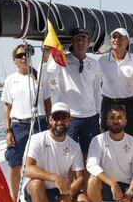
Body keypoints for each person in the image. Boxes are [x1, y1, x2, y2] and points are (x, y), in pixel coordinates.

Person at [24, 102, 92, 202]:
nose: (60, 121)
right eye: (56, 117)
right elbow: (27, 168)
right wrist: (54, 177)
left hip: (60, 193)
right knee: (36, 184)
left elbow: (80, 178)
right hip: (36, 191)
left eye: (64, 117)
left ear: (69, 120)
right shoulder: (37, 139)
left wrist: (69, 194)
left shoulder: (74, 146)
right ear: (50, 120)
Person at [2, 44, 51, 202]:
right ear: (14, 60)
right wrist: (8, 130)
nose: (24, 57)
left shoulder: (39, 77)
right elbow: (7, 107)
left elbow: (47, 102)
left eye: (27, 54)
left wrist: (49, 124)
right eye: (20, 55)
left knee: (40, 164)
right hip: (18, 126)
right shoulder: (11, 80)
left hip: (39, 123)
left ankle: (41, 199)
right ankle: (15, 200)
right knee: (15, 164)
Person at [44, 27, 102, 159]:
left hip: (91, 117)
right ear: (72, 43)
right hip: (70, 117)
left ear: (88, 43)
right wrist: (46, 58)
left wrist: (99, 116)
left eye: (83, 39)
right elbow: (47, 78)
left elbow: (97, 91)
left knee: (90, 155)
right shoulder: (62, 60)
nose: (80, 43)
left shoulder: (94, 64)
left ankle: (86, 180)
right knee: (68, 155)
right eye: (77, 40)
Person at [98, 28, 133, 138]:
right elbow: (96, 86)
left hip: (129, 104)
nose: (117, 40)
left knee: (131, 136)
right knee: (105, 136)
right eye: (114, 37)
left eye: (121, 37)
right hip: (107, 103)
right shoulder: (101, 61)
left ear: (128, 41)